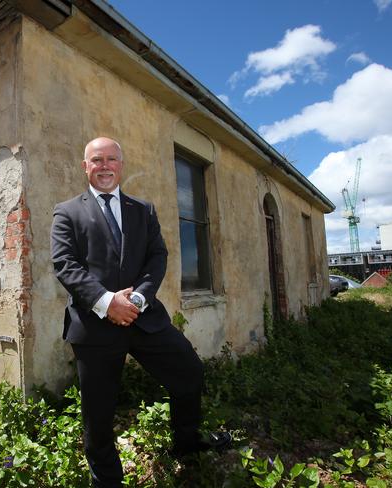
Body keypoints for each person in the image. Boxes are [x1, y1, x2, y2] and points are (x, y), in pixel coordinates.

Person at [51, 137, 229, 487]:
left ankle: (186, 444)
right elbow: (65, 265)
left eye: (112, 159)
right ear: (85, 166)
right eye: (97, 160)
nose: (105, 166)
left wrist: (137, 300)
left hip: (143, 317)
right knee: (98, 414)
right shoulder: (66, 211)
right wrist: (107, 302)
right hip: (94, 325)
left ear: (121, 164)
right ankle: (107, 480)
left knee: (189, 372)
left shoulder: (143, 209)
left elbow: (157, 256)